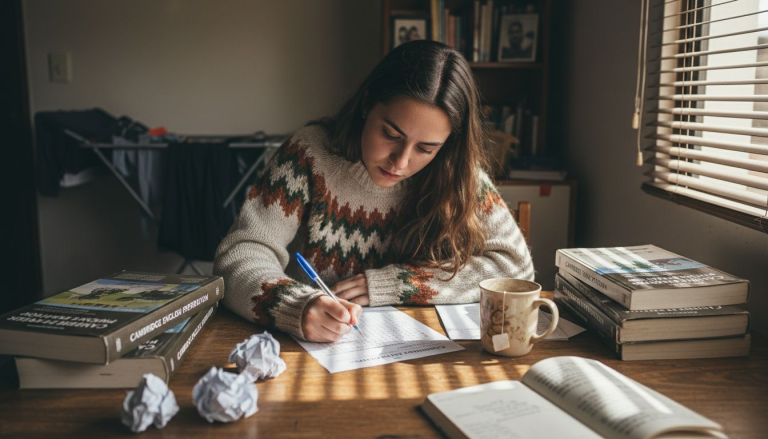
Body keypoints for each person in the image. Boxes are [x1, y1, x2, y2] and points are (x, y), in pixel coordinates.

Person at [214, 40, 534, 343]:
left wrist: (400, 285)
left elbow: (514, 266)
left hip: (419, 354)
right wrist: (295, 305)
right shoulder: (308, 154)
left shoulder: (458, 174)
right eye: (390, 134)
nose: (401, 161)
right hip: (310, 352)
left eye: (426, 148)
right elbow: (239, 255)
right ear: (367, 103)